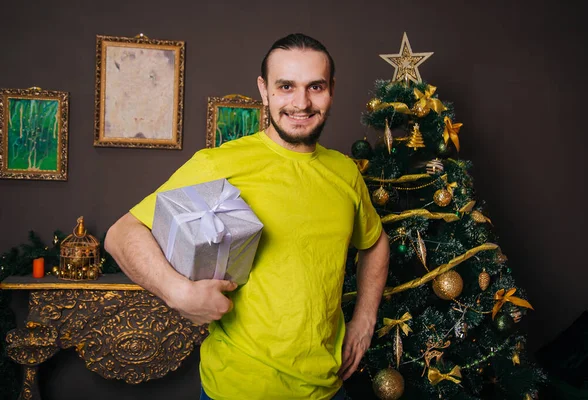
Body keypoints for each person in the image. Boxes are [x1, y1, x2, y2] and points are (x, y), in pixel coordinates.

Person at [105, 33, 389, 400]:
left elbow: (375, 242)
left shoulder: (345, 173)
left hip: (328, 390)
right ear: (264, 90)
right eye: (286, 86)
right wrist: (178, 293)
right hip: (238, 389)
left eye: (314, 86)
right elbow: (122, 233)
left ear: (331, 89)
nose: (301, 102)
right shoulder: (220, 163)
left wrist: (365, 320)